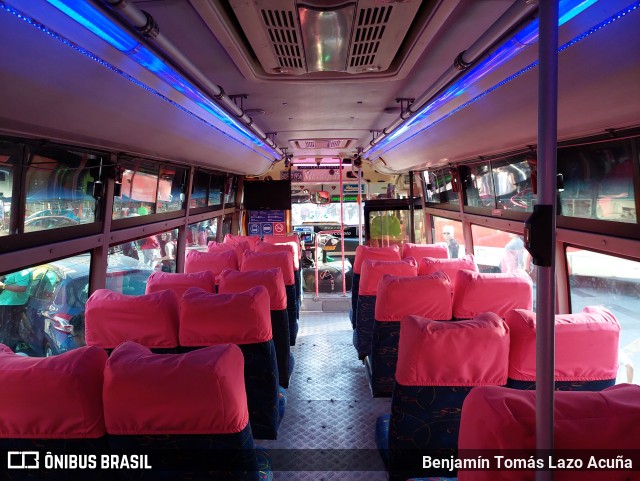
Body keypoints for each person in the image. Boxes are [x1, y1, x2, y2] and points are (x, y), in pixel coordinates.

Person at [0, 268, 33, 349]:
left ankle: (7, 352)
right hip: (5, 302)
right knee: (5, 329)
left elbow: (21, 288)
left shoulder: (22, 271)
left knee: (8, 332)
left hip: (12, 304)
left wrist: (3, 285)